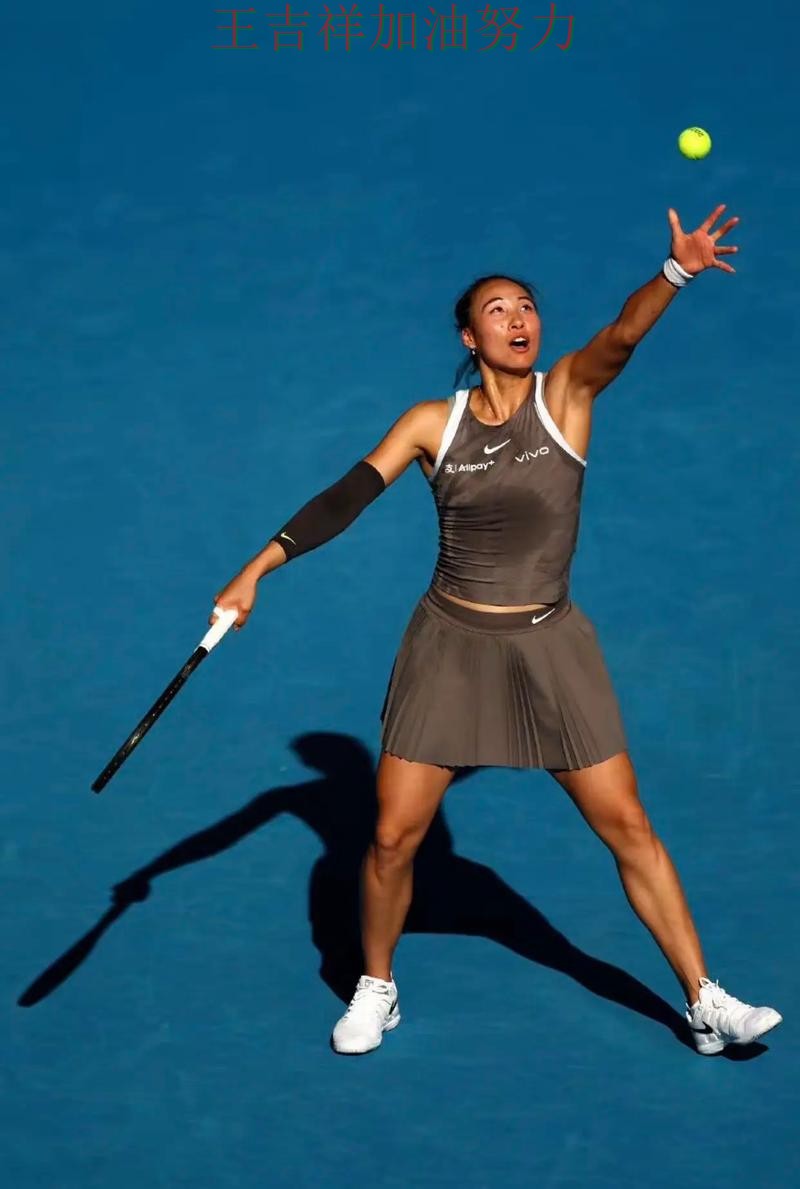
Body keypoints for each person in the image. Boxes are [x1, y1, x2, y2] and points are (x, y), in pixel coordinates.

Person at [212, 204, 782, 1058]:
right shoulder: (429, 423)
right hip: (448, 648)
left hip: (550, 648)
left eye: (527, 306)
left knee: (628, 826)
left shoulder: (567, 395)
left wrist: (676, 272)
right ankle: (377, 986)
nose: (519, 319)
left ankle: (705, 998)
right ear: (469, 337)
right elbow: (345, 497)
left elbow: (622, 336)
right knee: (392, 837)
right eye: (498, 310)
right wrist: (257, 568)